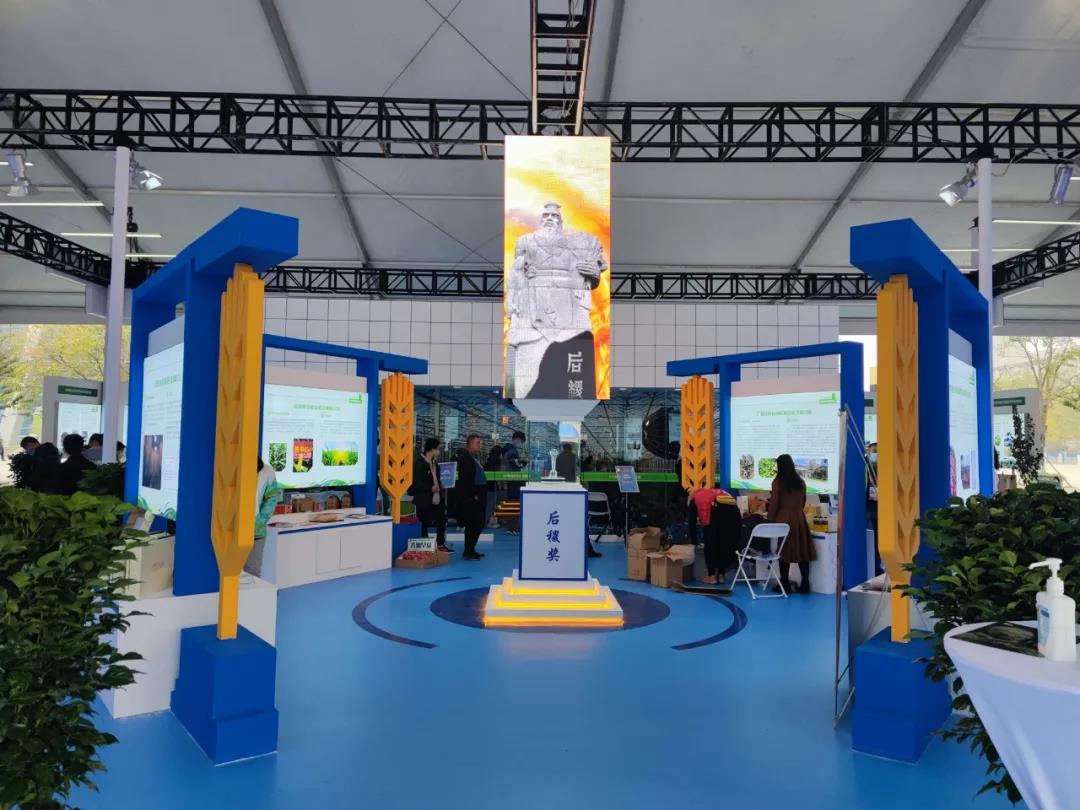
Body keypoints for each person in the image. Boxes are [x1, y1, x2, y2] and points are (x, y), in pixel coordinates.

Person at [504, 201, 608, 399]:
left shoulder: (575, 243)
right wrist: (513, 299)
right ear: (541, 219)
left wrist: (594, 272)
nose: (550, 219)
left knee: (571, 348)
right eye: (546, 215)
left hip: (568, 304)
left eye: (554, 216)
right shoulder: (525, 241)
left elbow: (594, 274)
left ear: (561, 221)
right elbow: (516, 272)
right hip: (534, 303)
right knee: (529, 356)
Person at [767, 454, 815, 594]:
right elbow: (803, 501)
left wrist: (770, 519)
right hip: (799, 518)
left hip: (784, 519)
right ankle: (805, 584)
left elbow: (775, 503)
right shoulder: (800, 482)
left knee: (784, 552)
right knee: (802, 551)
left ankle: (785, 585)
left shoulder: (778, 482)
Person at [687, 486, 741, 584]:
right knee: (724, 542)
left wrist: (694, 541)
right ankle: (721, 575)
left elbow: (691, 522)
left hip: (715, 511)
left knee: (711, 542)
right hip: (733, 512)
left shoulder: (694, 498)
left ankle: (711, 575)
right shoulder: (714, 492)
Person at [246, 457, 283, 577]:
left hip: (256, 533)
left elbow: (271, 498)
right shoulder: (233, 467)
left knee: (252, 571)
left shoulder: (267, 472)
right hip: (231, 532)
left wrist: (260, 520)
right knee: (230, 570)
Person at [412, 437, 449, 552]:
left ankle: (440, 544)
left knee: (441, 520)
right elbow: (417, 483)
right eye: (438, 449)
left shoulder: (434, 463)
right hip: (424, 499)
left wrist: (440, 485)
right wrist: (430, 488)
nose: (439, 451)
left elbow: (436, 478)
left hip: (436, 497)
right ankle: (424, 546)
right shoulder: (419, 463)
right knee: (424, 522)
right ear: (432, 449)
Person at [455, 434, 487, 560]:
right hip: (473, 497)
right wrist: (473, 496)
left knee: (477, 524)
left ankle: (471, 549)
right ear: (470, 444)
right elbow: (466, 481)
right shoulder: (465, 459)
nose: (480, 445)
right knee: (474, 524)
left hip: (477, 495)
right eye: (477, 442)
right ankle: (468, 551)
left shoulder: (473, 458)